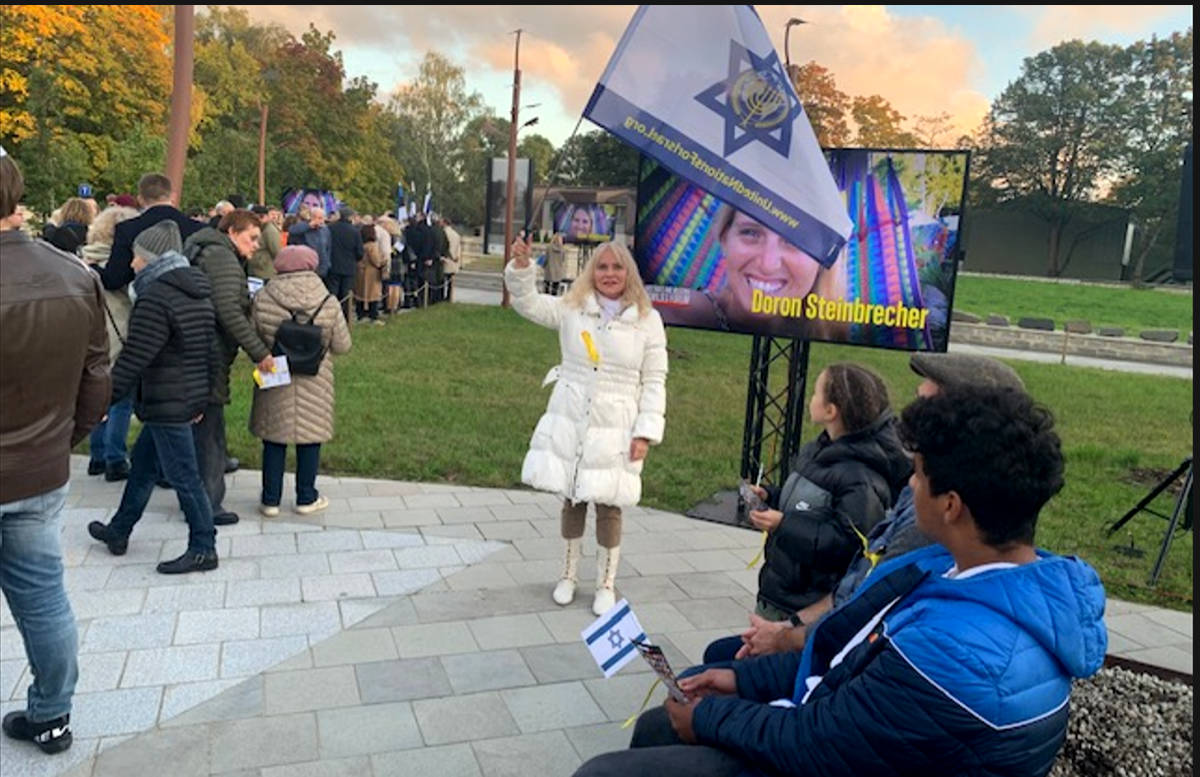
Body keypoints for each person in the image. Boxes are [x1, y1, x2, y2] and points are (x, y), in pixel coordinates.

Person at [576, 386, 1107, 777]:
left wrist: (711, 717)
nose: (910, 484)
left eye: (918, 473)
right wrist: (742, 682)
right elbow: (841, 656)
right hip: (846, 741)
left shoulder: (959, 653)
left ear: (951, 506)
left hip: (826, 756)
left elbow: (815, 743)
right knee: (660, 723)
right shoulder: (949, 572)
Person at [704, 352, 1026, 664]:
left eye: (925, 407)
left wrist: (786, 637)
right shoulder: (910, 500)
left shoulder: (926, 529)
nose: (909, 415)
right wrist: (789, 628)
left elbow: (860, 619)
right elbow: (857, 590)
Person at [0, 149, 109, 755]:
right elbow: (99, 375)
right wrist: (64, 441)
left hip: (41, 461)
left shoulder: (74, 275)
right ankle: (53, 715)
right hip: (40, 471)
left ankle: (51, 713)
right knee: (44, 597)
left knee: (44, 598)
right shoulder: (74, 274)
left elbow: (97, 374)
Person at [506, 236, 668, 616]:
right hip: (574, 413)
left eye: (616, 267)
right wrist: (522, 268)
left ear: (628, 272)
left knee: (610, 503)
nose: (609, 274)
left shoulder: (647, 320)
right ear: (591, 271)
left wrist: (645, 431)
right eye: (601, 266)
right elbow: (528, 304)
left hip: (618, 422)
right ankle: (568, 575)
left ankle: (605, 583)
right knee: (572, 496)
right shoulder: (573, 308)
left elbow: (655, 379)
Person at [85, 221, 219, 575]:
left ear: (151, 258)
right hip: (184, 399)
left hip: (167, 401)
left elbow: (133, 359)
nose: (131, 265)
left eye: (136, 257)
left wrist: (101, 400)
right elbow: (211, 353)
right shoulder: (197, 291)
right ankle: (119, 530)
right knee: (143, 469)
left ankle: (204, 547)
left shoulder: (155, 298)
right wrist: (202, 400)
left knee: (185, 477)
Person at [743, 363, 909, 625]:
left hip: (805, 605)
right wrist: (770, 497)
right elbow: (811, 505)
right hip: (780, 588)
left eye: (815, 393)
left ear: (831, 410)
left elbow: (848, 544)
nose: (810, 399)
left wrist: (783, 525)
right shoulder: (818, 450)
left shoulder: (861, 477)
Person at [183, 210, 275, 527]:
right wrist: (260, 352)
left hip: (195, 348)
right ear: (233, 232)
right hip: (208, 351)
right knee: (209, 428)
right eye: (251, 239)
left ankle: (126, 517)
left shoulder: (204, 249)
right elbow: (228, 311)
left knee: (172, 431)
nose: (254, 247)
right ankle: (206, 505)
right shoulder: (222, 259)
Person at [249, 245, 352, 516]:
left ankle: (270, 499)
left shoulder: (263, 297)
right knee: (310, 438)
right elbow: (342, 345)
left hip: (274, 371)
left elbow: (252, 338)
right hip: (315, 377)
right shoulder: (327, 301)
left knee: (273, 437)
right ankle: (306, 497)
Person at [669, 204, 845, 338]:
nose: (767, 264)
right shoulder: (663, 313)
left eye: (796, 240)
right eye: (751, 233)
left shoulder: (838, 335)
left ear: (824, 259)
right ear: (724, 239)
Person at [81, 204, 141, 481]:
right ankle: (115, 458)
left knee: (95, 396)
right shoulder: (122, 264)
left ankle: (96, 455)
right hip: (119, 332)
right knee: (121, 399)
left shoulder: (83, 260)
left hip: (91, 335)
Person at [99, 173, 205, 292]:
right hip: (191, 298)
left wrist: (91, 267)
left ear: (140, 199)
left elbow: (113, 279)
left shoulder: (127, 229)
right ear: (173, 196)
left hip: (144, 300)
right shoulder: (199, 229)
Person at [327, 206, 363, 321]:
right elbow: (359, 252)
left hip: (333, 265)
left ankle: (331, 317)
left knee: (333, 293)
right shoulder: (355, 232)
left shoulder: (330, 228)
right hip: (349, 267)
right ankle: (346, 318)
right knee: (347, 295)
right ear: (350, 217)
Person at [288, 206, 332, 280]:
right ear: (312, 217)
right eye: (319, 218)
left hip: (322, 266)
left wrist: (327, 263)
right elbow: (292, 230)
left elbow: (328, 247)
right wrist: (308, 226)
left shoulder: (325, 230)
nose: (322, 221)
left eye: (323, 218)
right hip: (307, 266)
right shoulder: (304, 226)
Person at [355, 224, 387, 324]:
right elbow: (376, 261)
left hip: (360, 271)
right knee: (373, 294)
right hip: (372, 274)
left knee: (360, 294)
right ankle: (374, 315)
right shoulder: (372, 246)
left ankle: (361, 314)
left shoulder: (361, 245)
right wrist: (384, 260)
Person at [403, 213, 435, 308]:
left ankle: (410, 300)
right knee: (420, 281)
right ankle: (422, 300)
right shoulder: (428, 230)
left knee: (411, 280)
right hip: (422, 258)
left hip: (414, 258)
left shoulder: (411, 231)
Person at [247, 204, 281, 280]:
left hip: (265, 272)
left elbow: (276, 251)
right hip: (256, 270)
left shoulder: (270, 231)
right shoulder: (259, 228)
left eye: (261, 217)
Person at [441, 217, 462, 303]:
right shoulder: (456, 234)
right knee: (450, 281)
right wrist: (456, 257)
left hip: (446, 259)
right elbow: (459, 247)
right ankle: (449, 296)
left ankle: (442, 296)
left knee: (442, 280)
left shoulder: (443, 233)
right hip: (453, 260)